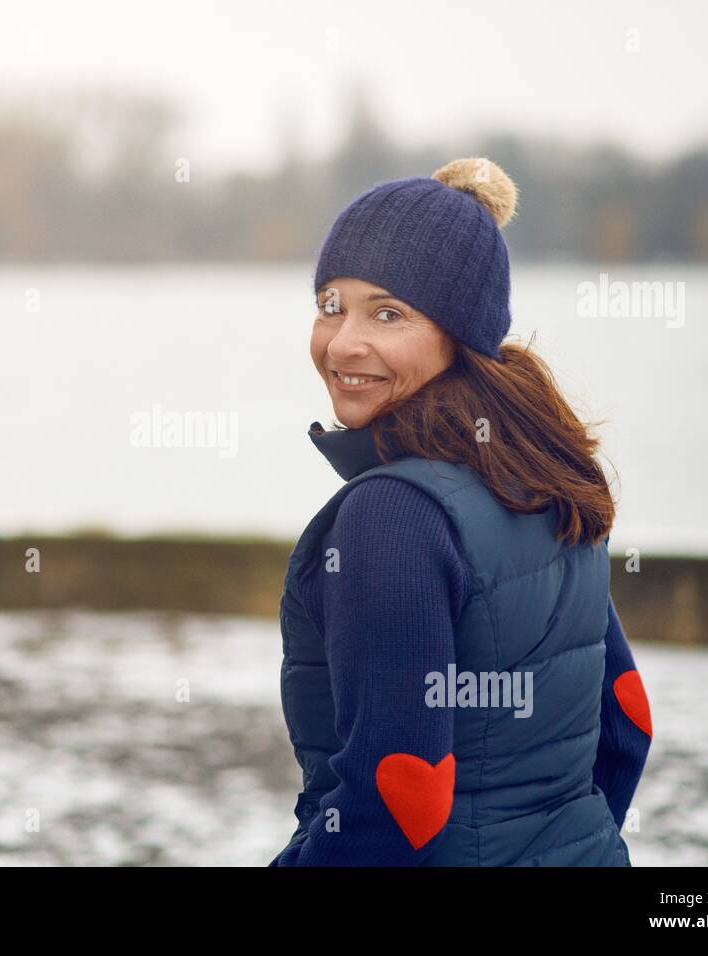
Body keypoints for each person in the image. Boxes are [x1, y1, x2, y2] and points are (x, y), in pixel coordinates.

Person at [269, 158, 653, 866]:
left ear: (460, 335)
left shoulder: (392, 515)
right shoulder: (544, 473)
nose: (343, 342)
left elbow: (398, 802)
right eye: (330, 305)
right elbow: (626, 716)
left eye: (388, 313)